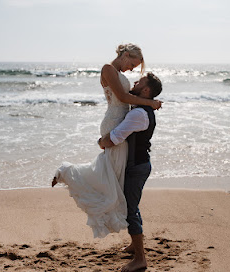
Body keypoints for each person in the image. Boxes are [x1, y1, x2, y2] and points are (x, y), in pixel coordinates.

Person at [52, 43, 161, 238]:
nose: (132, 69)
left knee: (113, 173)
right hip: (113, 123)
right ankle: (67, 172)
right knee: (109, 172)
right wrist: (150, 102)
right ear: (125, 55)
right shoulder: (108, 69)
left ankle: (125, 218)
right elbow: (122, 96)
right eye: (133, 64)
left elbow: (127, 96)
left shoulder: (118, 73)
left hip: (121, 123)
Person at [98, 72, 162, 272]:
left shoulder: (138, 114)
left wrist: (101, 142)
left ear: (145, 90)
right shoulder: (141, 109)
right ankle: (135, 245)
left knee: (129, 210)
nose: (135, 81)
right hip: (138, 165)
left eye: (139, 81)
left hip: (137, 167)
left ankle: (140, 259)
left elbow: (115, 138)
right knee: (132, 205)